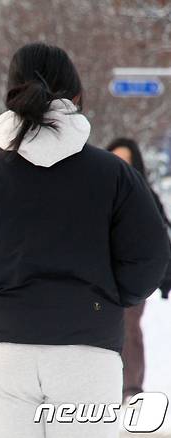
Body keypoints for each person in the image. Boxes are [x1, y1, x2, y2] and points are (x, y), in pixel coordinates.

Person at [0, 42, 170, 438]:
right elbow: (149, 256)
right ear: (76, 96)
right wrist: (107, 298)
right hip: (88, 349)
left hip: (4, 352)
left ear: (11, 94)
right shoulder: (113, 174)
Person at [106, 137, 171, 402]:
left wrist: (163, 277)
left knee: (129, 327)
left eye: (126, 161)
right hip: (99, 276)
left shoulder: (144, 193)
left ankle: (130, 388)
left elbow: (160, 239)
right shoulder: (96, 192)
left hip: (133, 276)